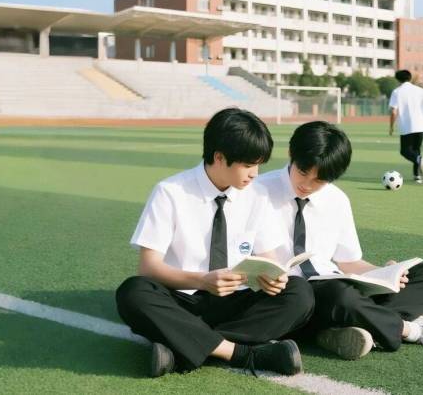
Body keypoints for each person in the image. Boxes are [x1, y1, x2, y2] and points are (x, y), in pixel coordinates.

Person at [115, 108, 314, 377]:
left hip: (235, 300)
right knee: (133, 292)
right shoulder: (170, 192)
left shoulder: (258, 195)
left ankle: (181, 346)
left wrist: (273, 277)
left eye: (258, 165)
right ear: (219, 157)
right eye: (248, 165)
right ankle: (242, 353)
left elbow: (269, 258)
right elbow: (148, 268)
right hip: (182, 298)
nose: (255, 173)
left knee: (299, 292)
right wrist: (202, 281)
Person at [257, 121, 423, 360]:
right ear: (291, 154)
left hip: (336, 287)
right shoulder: (258, 191)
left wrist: (385, 274)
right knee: (339, 296)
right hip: (291, 296)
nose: (306, 185)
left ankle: (340, 329)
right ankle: (410, 329)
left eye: (320, 180)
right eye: (303, 173)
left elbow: (349, 263)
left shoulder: (337, 200)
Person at [389, 69, 423, 184]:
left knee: (405, 151)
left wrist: (391, 127)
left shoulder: (397, 92)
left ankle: (418, 161)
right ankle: (417, 176)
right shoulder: (420, 90)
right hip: (421, 125)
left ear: (398, 80)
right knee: (416, 150)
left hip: (407, 126)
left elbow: (394, 112)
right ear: (410, 78)